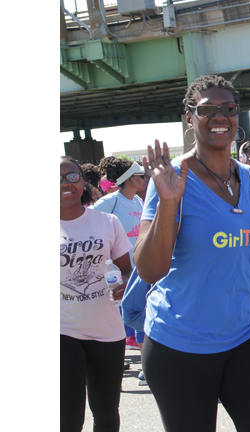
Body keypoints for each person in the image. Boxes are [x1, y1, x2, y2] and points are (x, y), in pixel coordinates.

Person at [133, 74, 250, 432]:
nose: (219, 116)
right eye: (206, 109)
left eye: (228, 108)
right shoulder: (170, 179)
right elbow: (150, 270)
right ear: (189, 118)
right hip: (180, 343)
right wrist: (169, 203)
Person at [61, 156, 133, 432]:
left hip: (107, 329)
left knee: (105, 411)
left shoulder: (107, 222)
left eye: (72, 176)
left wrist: (123, 283)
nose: (65, 184)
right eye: (57, 178)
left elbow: (127, 270)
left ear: (83, 181)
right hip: (62, 328)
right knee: (67, 414)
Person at [91, 157, 150, 383]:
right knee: (115, 320)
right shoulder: (109, 202)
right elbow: (90, 223)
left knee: (140, 316)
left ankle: (146, 367)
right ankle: (107, 365)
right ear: (128, 179)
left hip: (141, 269)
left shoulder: (137, 200)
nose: (144, 179)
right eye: (139, 175)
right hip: (117, 273)